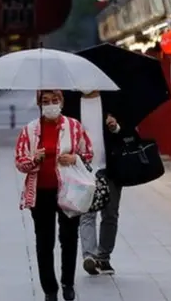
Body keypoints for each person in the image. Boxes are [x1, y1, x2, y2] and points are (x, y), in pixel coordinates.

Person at [14, 90, 93, 301]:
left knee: (69, 238)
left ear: (62, 102)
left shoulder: (74, 127)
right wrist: (35, 158)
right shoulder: (30, 130)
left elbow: (88, 153)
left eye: (54, 100)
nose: (50, 105)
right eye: (45, 101)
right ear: (39, 104)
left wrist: (74, 158)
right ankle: (50, 288)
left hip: (69, 190)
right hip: (41, 192)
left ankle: (68, 282)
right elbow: (20, 162)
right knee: (44, 241)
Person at [63, 90, 125, 275]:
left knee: (110, 213)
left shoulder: (112, 100)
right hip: (83, 167)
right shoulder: (71, 103)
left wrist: (115, 127)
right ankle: (89, 256)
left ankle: (103, 257)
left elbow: (127, 130)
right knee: (86, 212)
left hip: (110, 166)